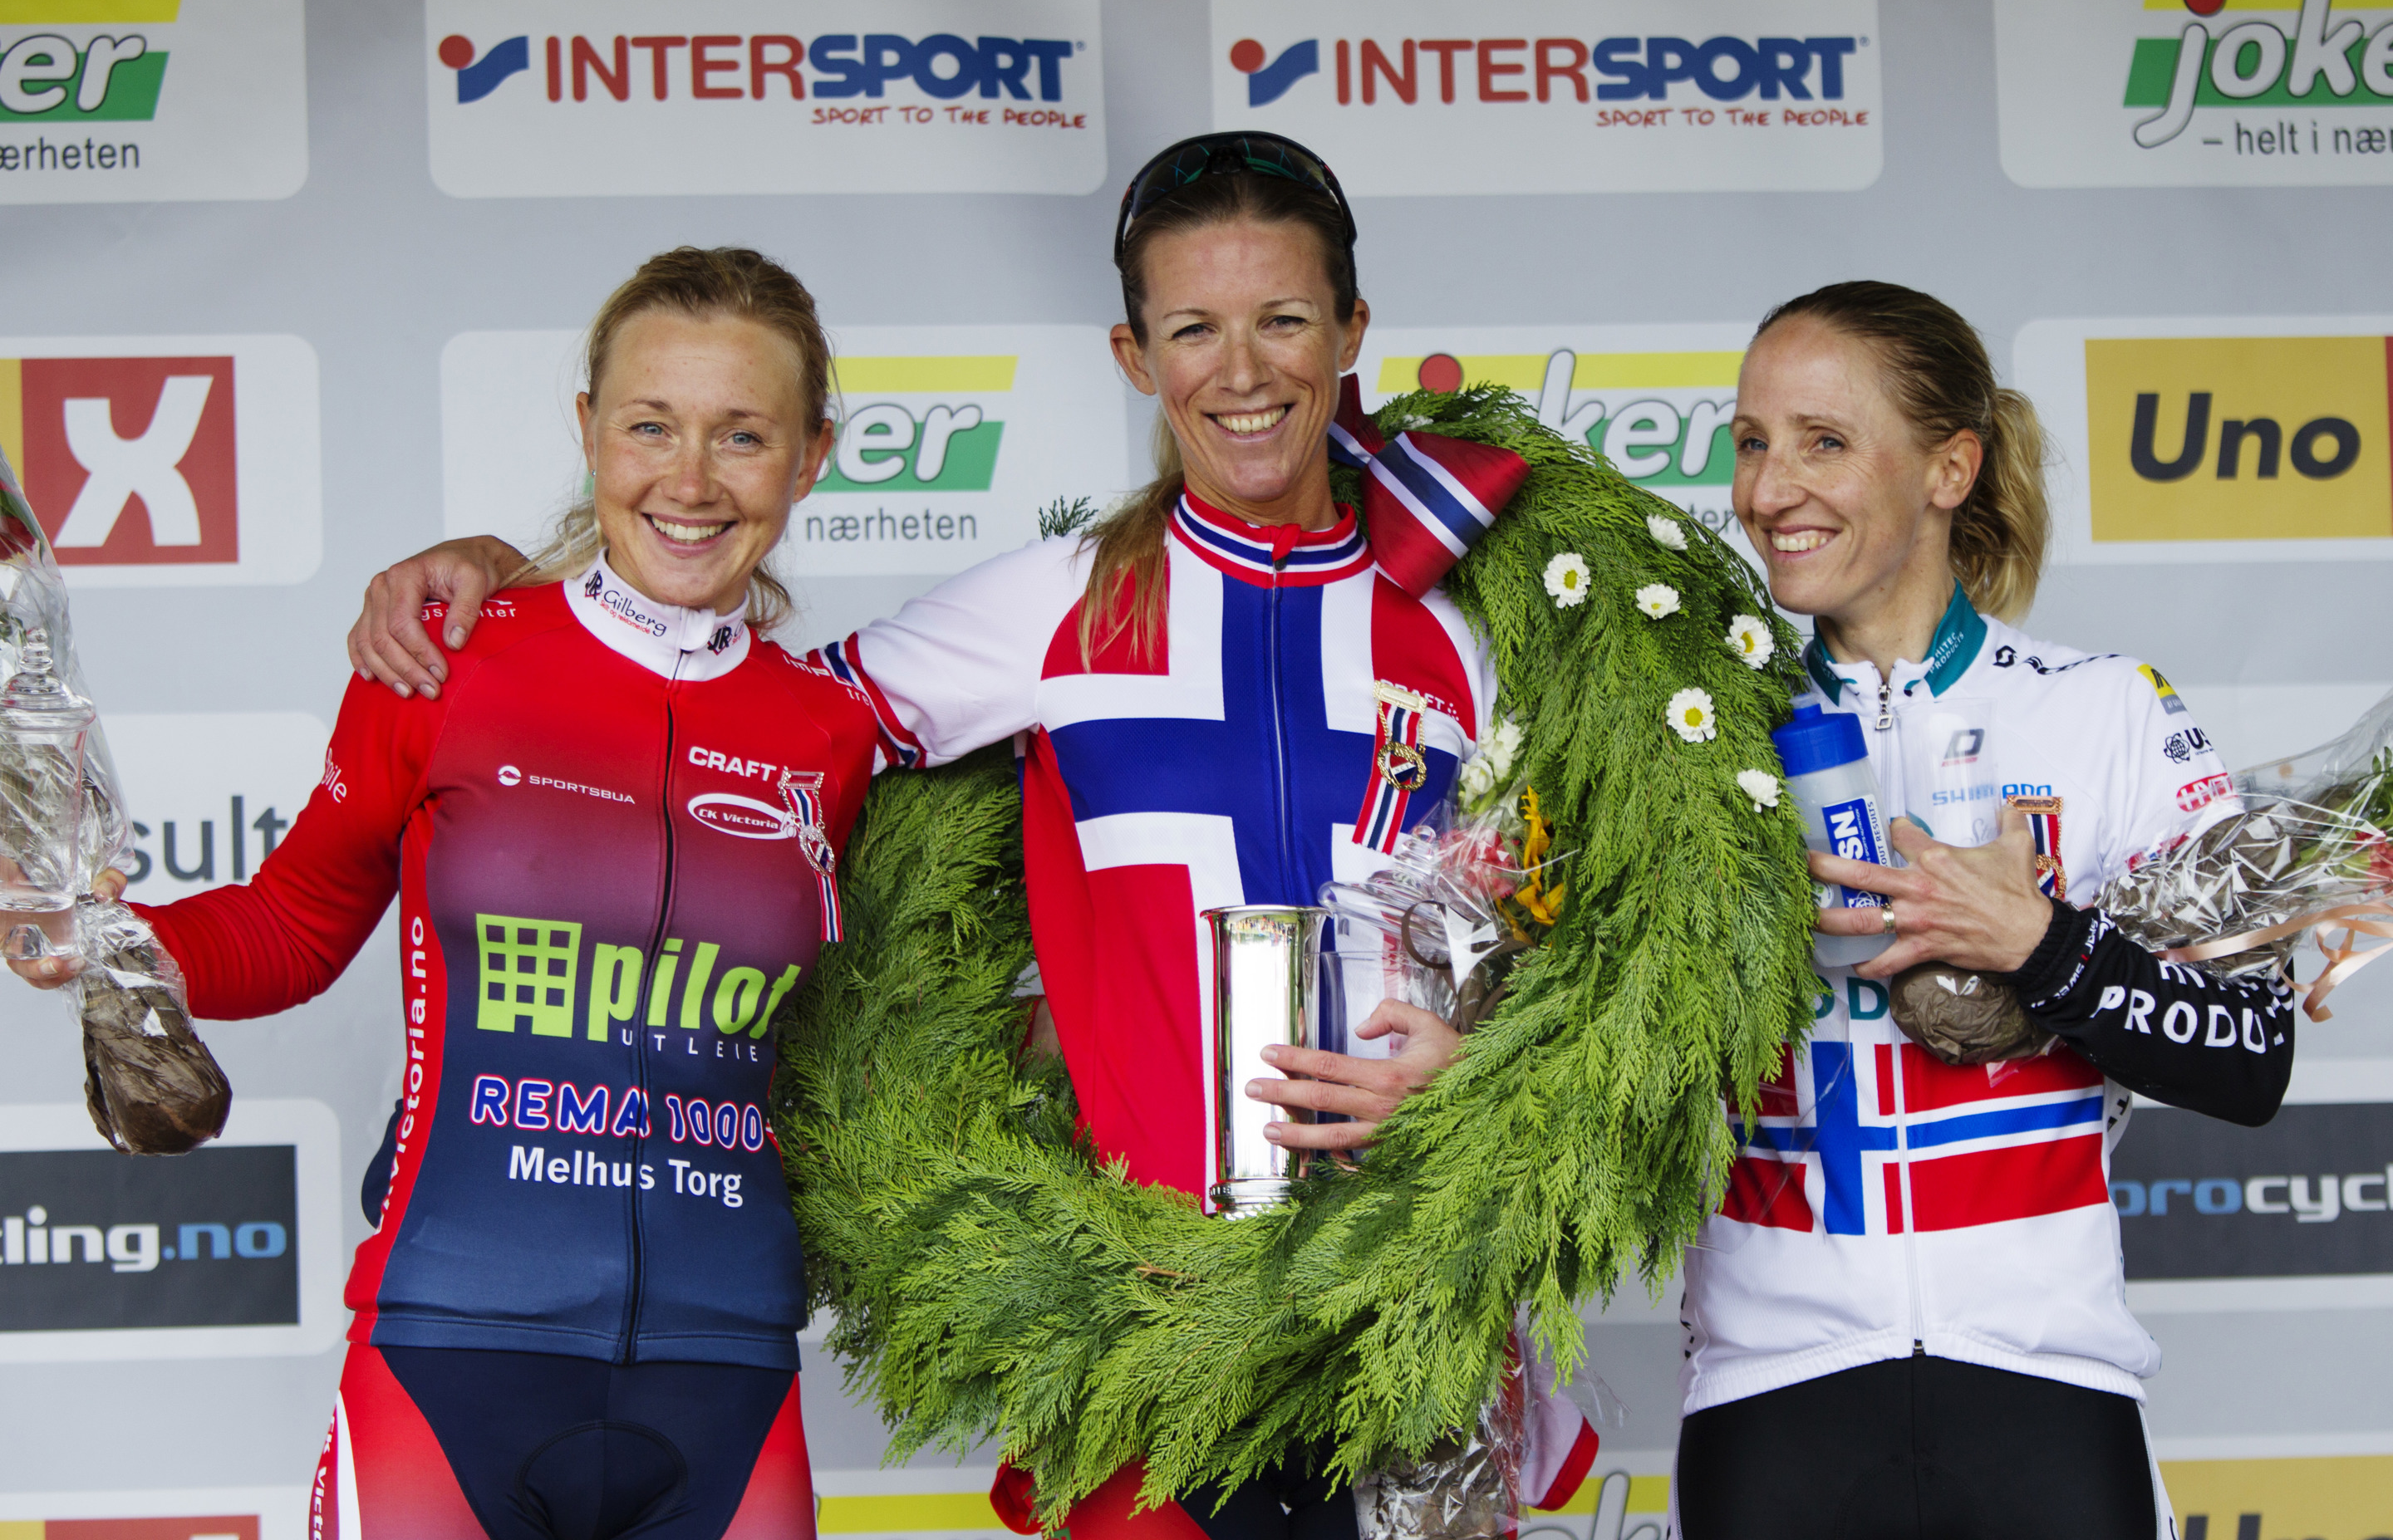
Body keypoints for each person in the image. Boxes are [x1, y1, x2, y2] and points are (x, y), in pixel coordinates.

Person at [343, 133, 1600, 1540]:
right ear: (1135, 354)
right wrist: (511, 590)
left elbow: (1611, 946)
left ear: (1353, 331)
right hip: (1151, 1335)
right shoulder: (1053, 604)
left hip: (1422, 1308)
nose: (1242, 370)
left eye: (1285, 320)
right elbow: (717, 717)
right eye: (1195, 328)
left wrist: (1489, 1077)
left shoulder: (1475, 622)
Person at [27, 247, 873, 1540]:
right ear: (588, 429)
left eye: (743, 435)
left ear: (810, 458)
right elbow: (295, 925)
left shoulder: (831, 729)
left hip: (729, 1373)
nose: (692, 480)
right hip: (450, 1356)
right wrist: (100, 941)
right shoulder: (448, 662)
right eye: (650, 426)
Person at [1672, 280, 2295, 1540]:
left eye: (1823, 442)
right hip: (1772, 1396)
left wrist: (2043, 947)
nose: (1769, 490)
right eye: (1751, 443)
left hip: (2044, 1391)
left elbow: (2252, 1053)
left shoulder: (2104, 709)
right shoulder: (1692, 734)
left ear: (1950, 468)